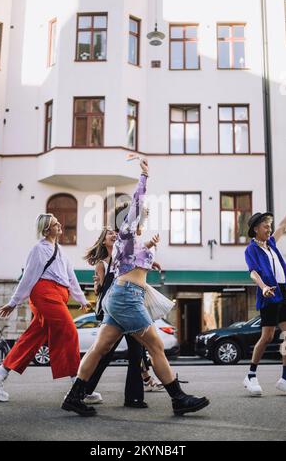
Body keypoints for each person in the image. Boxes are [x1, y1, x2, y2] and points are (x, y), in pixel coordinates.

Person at [62, 158, 210, 416]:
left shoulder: (132, 243)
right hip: (127, 297)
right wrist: (144, 176)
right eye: (140, 216)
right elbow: (138, 202)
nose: (142, 219)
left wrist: (150, 262)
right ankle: (178, 398)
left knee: (100, 348)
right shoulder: (126, 233)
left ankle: (74, 396)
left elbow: (129, 265)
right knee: (156, 346)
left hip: (121, 296)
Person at [0, 214, 94, 416]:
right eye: (55, 224)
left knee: (32, 338)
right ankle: (78, 387)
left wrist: (81, 300)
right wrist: (13, 302)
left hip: (57, 295)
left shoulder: (60, 251)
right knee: (70, 331)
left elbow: (71, 277)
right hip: (45, 294)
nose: (60, 225)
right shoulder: (38, 249)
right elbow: (28, 276)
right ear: (46, 230)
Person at [82, 227, 149, 408]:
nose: (113, 235)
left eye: (114, 233)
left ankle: (134, 398)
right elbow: (98, 290)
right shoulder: (102, 263)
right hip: (113, 311)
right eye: (109, 234)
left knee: (136, 352)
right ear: (103, 241)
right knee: (104, 353)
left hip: (129, 309)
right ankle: (84, 390)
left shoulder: (124, 257)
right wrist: (97, 284)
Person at [244, 211, 286, 396]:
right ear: (256, 229)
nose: (269, 229)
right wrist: (262, 287)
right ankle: (251, 375)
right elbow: (253, 272)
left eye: (269, 225)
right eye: (265, 226)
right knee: (267, 337)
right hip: (269, 293)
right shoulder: (251, 249)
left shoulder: (270, 244)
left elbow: (282, 226)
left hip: (283, 291)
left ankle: (285, 378)